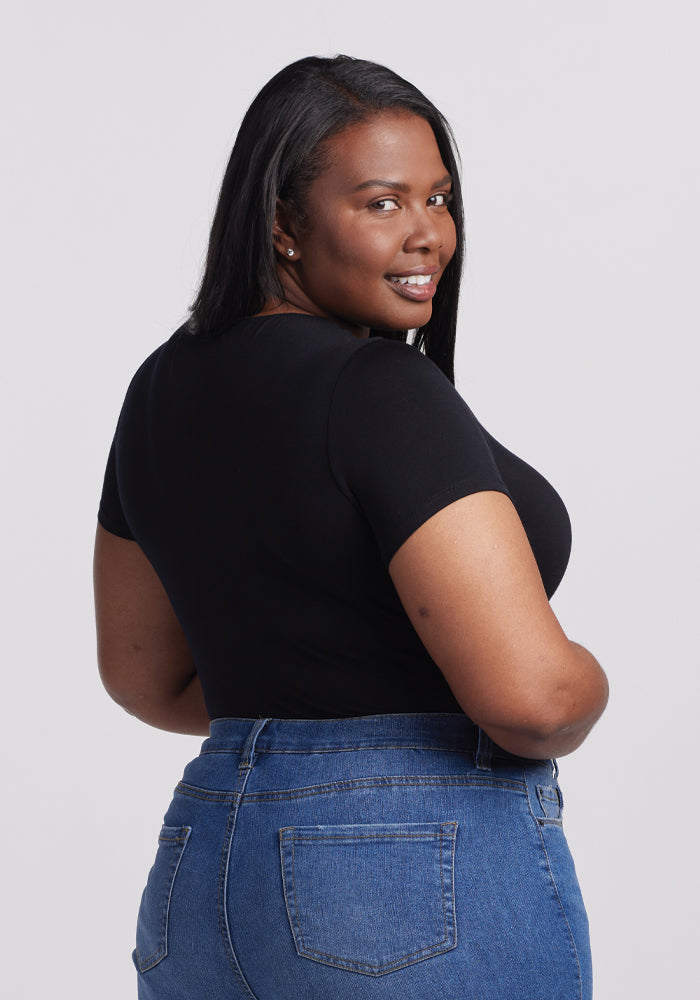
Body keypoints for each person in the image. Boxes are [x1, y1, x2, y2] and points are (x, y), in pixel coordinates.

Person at [94, 54, 609, 1000]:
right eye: (381, 203)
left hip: (208, 871)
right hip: (407, 876)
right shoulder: (378, 387)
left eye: (439, 198)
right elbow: (531, 699)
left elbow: (143, 677)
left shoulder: (161, 387)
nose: (428, 237)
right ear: (283, 224)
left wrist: (309, 714)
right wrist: (587, 679)